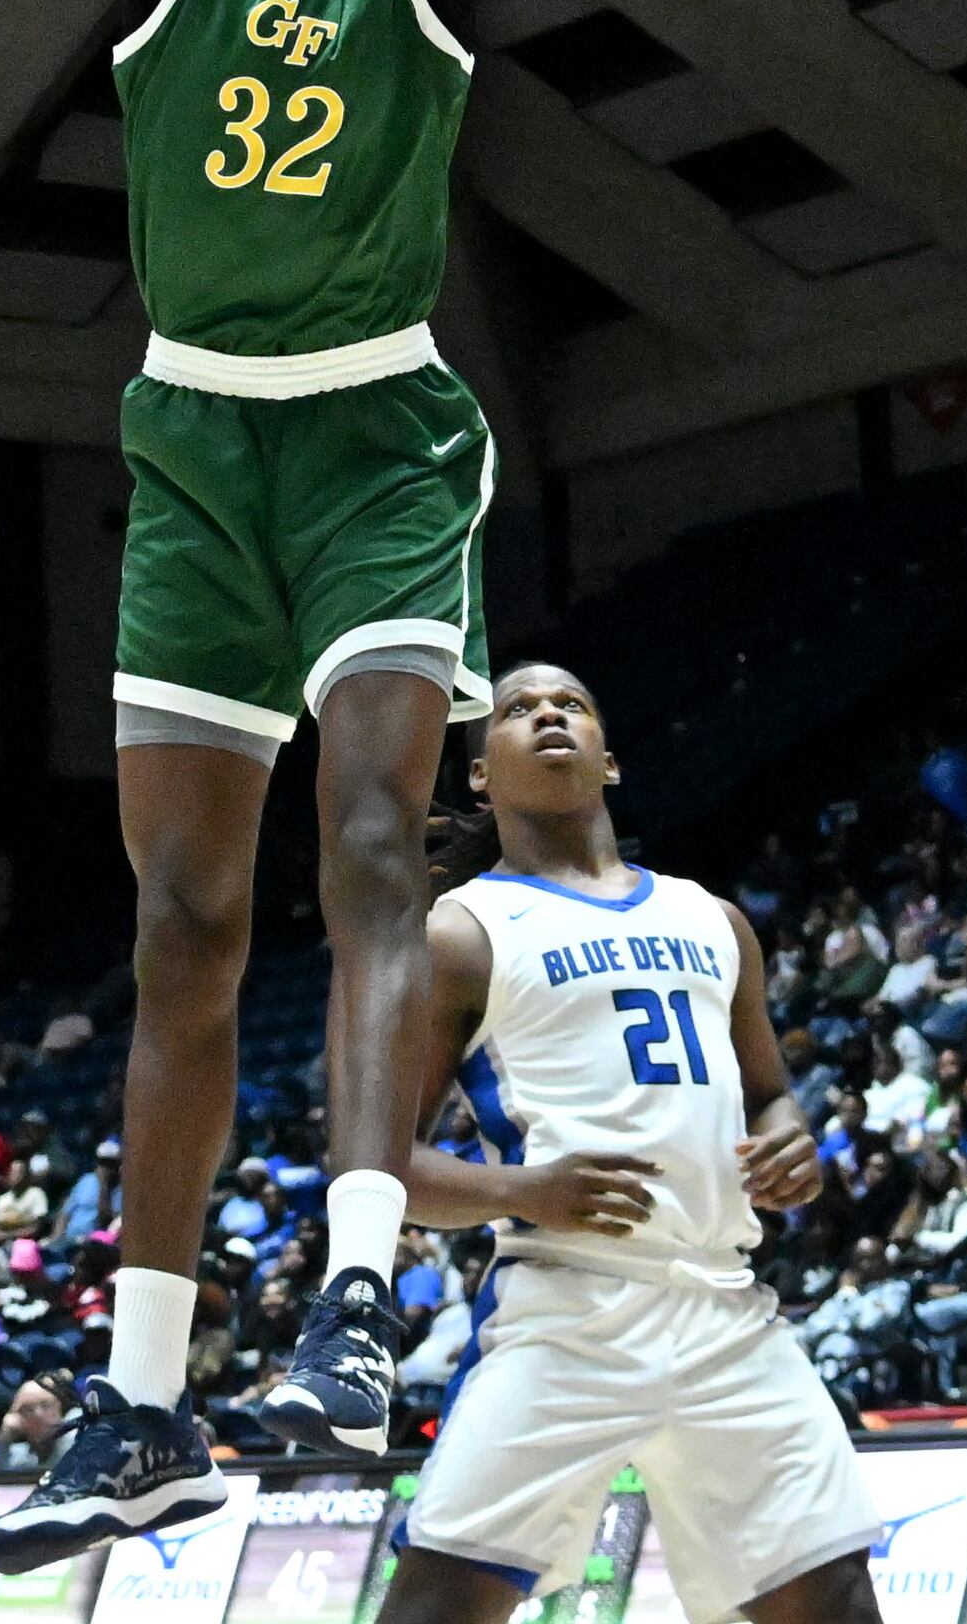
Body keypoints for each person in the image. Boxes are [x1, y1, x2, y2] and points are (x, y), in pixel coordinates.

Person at [0, 0, 528, 1565]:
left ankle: (361, 1306)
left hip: (379, 438)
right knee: (180, 930)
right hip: (191, 454)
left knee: (375, 840)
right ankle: (135, 1411)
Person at [341, 664, 879, 1624]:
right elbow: (375, 1171)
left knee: (833, 1601)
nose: (549, 714)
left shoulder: (713, 919)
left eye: (574, 705)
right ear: (479, 776)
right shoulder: (462, 934)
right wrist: (526, 1191)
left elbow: (771, 1098)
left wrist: (791, 1145)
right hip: (565, 1310)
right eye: (518, 709)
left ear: (611, 759)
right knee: (437, 1606)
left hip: (727, 1310)